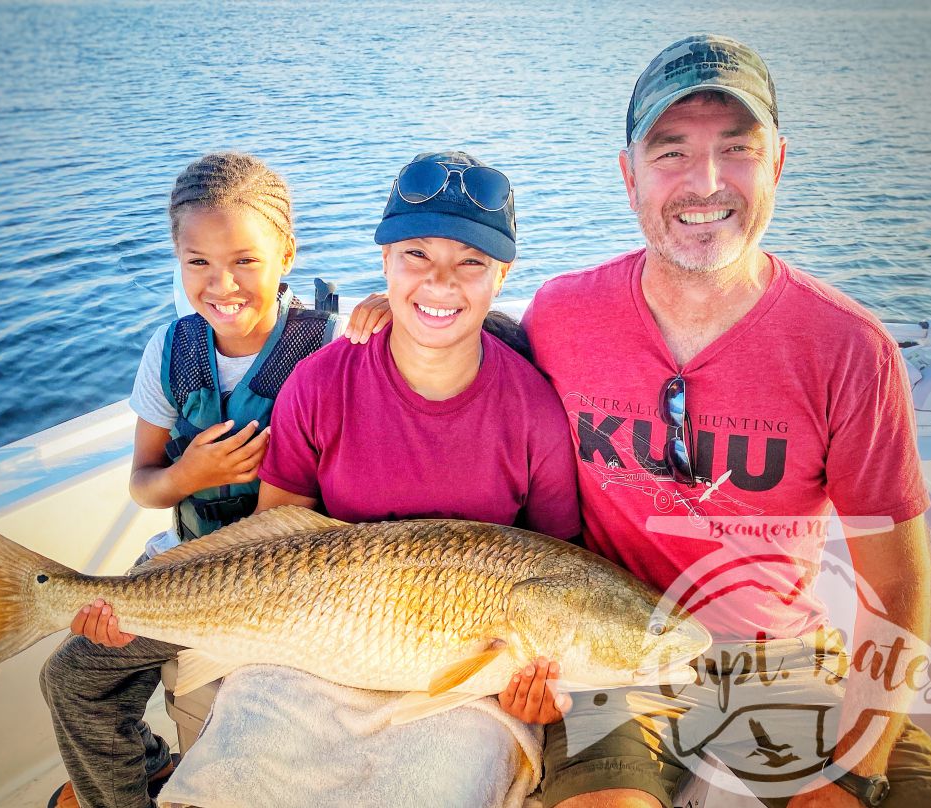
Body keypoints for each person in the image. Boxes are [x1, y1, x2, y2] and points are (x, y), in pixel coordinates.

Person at [518, 35, 931, 808]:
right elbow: (463, 378)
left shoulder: (848, 347)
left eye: (736, 148)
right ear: (628, 175)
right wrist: (385, 318)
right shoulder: (562, 314)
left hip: (788, 666)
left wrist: (854, 766)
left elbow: (896, 581)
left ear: (778, 163)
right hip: (610, 666)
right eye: (671, 152)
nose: (705, 182)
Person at [39, 152, 338, 808]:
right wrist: (186, 474)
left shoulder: (330, 352)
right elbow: (143, 484)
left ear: (285, 255)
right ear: (176, 260)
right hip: (187, 568)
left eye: (244, 260)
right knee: (72, 678)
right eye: (197, 262)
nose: (220, 284)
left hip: (303, 591)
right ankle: (139, 776)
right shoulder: (169, 352)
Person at [256, 150, 581, 729]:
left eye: (471, 262)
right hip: (313, 649)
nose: (439, 282)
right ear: (384, 260)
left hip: (470, 686)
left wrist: (538, 683)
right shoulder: (317, 383)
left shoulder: (535, 413)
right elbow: (265, 544)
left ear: (503, 276)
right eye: (415, 254)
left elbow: (556, 570)